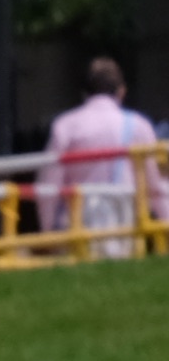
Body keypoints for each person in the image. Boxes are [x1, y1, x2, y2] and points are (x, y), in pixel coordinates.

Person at [53, 55, 151, 254]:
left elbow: (49, 186)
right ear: (121, 92)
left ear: (84, 93)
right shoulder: (139, 126)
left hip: (76, 229)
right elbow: (154, 186)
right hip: (125, 227)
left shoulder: (65, 126)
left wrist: (49, 231)